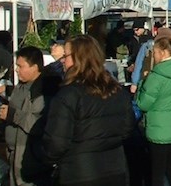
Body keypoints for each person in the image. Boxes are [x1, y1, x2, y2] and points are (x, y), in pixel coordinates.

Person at [42, 35, 135, 186]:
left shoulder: (68, 95)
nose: (63, 61)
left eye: (66, 56)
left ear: (79, 58)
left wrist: (48, 159)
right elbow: (127, 129)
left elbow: (55, 143)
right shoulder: (117, 90)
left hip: (79, 172)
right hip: (115, 169)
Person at [136, 35, 171, 186]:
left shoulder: (156, 75)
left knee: (157, 174)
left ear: (163, 52)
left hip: (158, 130)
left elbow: (143, 104)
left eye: (154, 52)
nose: (153, 56)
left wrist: (142, 83)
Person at [0, 46, 57, 185]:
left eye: (21, 66)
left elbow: (38, 124)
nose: (16, 69)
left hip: (31, 161)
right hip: (15, 157)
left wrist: (13, 115)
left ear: (35, 67)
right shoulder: (21, 86)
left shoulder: (44, 91)